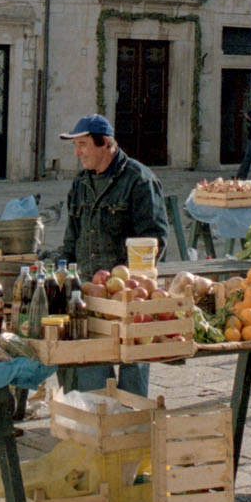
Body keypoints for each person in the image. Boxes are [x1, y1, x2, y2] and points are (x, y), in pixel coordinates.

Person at [58, 115, 168, 395]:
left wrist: (131, 289)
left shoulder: (139, 180)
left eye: (82, 145)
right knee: (91, 367)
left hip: (127, 297)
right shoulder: (80, 183)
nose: (77, 153)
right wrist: (61, 274)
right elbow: (71, 237)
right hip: (89, 293)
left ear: (104, 144)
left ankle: (130, 427)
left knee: (133, 365)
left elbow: (154, 241)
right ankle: (99, 427)